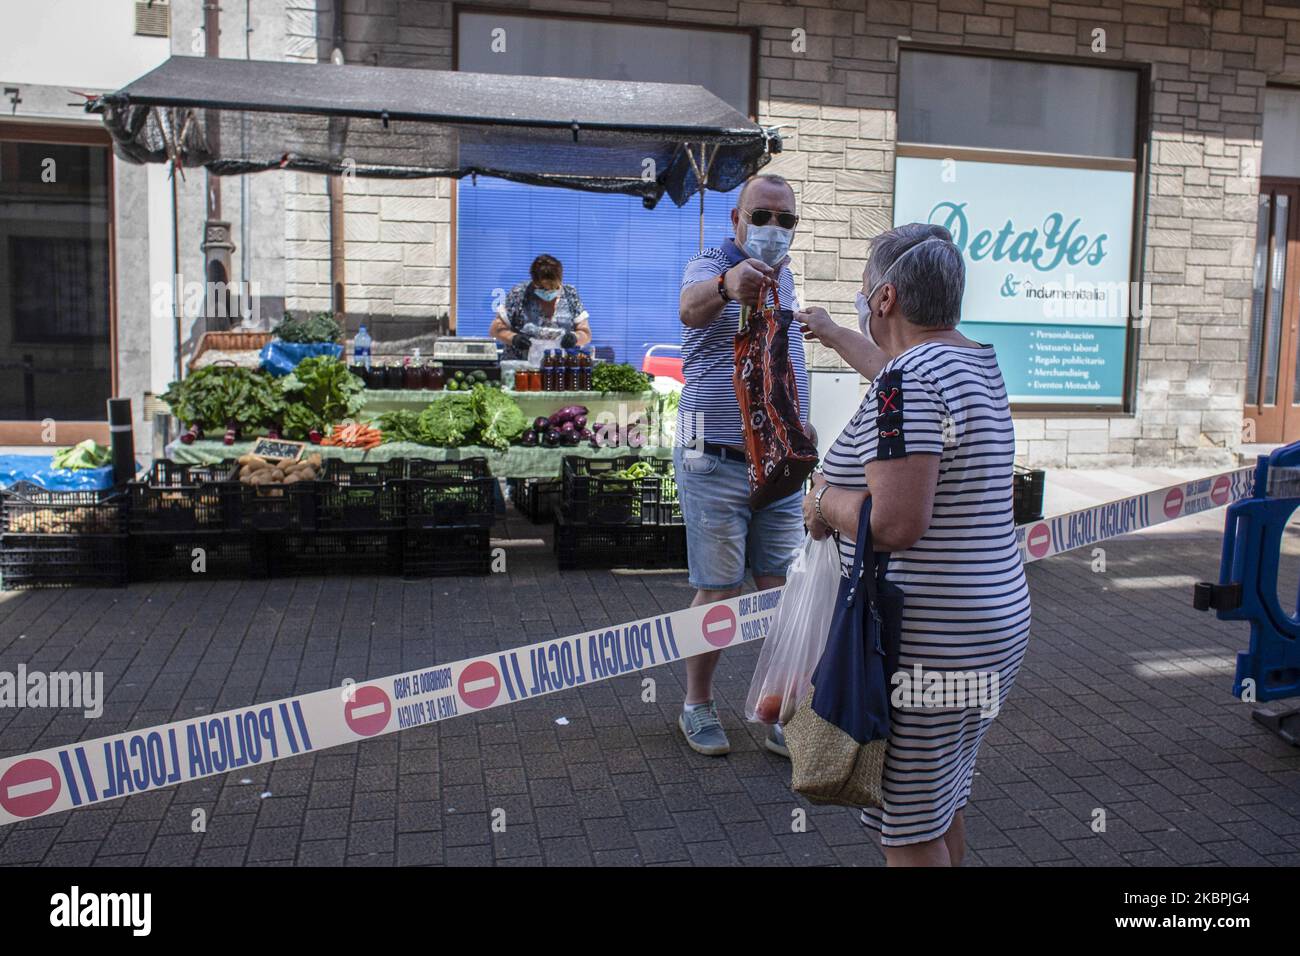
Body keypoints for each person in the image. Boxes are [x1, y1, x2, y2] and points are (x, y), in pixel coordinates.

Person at [797, 222, 1031, 867]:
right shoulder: (968, 361)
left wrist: (822, 503)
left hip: (933, 639)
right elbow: (899, 384)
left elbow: (897, 524)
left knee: (907, 827)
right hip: (988, 625)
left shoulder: (911, 380)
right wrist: (834, 333)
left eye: (864, 290)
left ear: (885, 299)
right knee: (938, 802)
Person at [675, 173, 812, 758]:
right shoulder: (711, 261)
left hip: (778, 465)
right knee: (720, 590)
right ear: (736, 219)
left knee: (781, 590)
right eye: (761, 216)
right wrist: (728, 284)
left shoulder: (787, 280)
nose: (773, 229)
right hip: (717, 461)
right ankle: (696, 704)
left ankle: (776, 710)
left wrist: (802, 429)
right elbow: (689, 309)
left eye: (786, 220)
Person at [490, 254, 592, 361]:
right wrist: (514, 338)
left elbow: (586, 333)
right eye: (542, 288)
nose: (547, 292)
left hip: (557, 367)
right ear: (534, 281)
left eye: (553, 288)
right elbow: (496, 329)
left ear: (560, 280)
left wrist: (575, 337)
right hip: (522, 367)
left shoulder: (570, 294)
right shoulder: (519, 294)